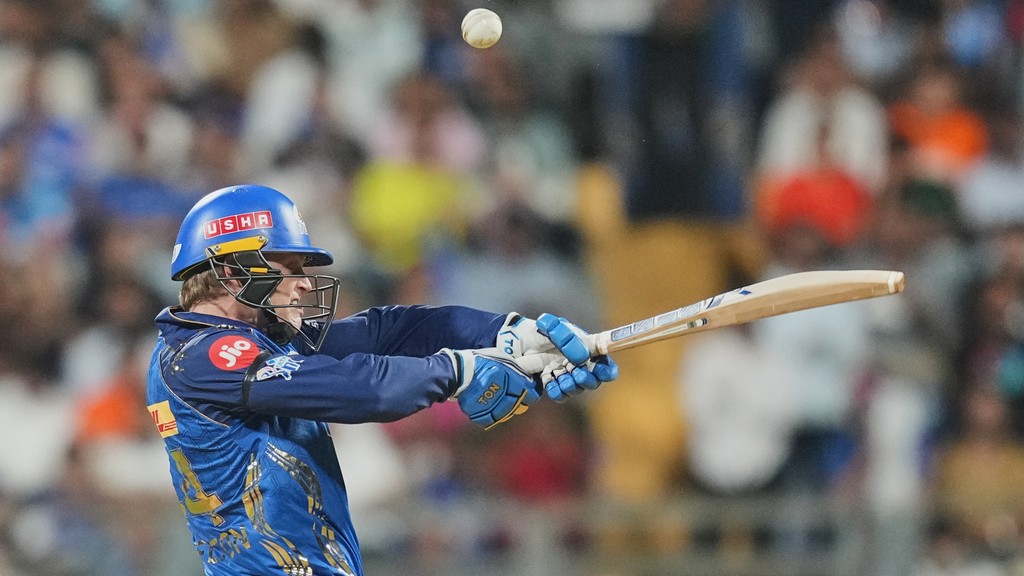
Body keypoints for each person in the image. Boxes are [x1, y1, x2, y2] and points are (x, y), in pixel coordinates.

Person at [144, 183, 617, 575]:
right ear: (230, 270)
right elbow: (360, 389)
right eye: (287, 266)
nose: (305, 282)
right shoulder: (197, 355)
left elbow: (392, 331)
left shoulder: (255, 341)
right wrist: (461, 371)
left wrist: (515, 333)